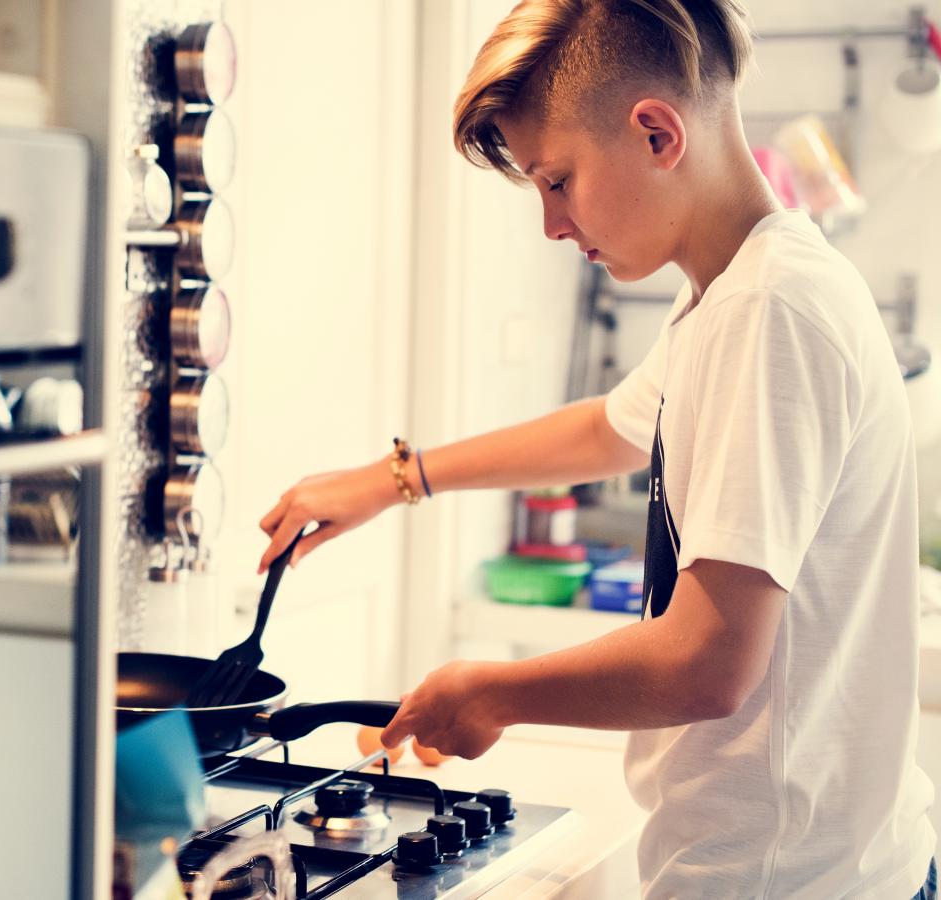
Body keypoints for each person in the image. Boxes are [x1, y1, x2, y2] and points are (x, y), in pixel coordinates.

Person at [255, 1, 936, 896]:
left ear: (657, 133)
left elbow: (707, 661)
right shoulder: (733, 291)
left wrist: (490, 693)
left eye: (557, 180)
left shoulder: (768, 311)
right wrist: (393, 479)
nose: (551, 224)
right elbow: (609, 428)